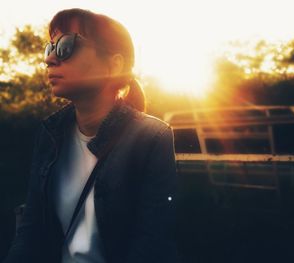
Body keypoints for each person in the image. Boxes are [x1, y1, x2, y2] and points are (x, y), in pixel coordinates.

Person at [3, 8, 178, 263]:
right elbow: (31, 230)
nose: (49, 60)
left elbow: (152, 244)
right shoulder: (50, 133)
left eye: (65, 46)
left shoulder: (151, 138)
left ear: (114, 64)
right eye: (49, 48)